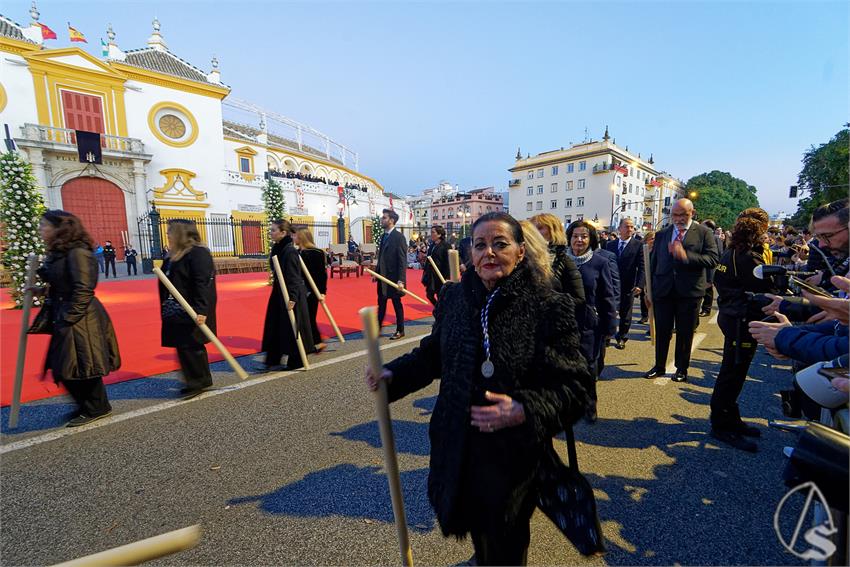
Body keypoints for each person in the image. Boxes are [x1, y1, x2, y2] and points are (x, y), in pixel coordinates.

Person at [365, 212, 592, 565]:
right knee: (478, 530)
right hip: (456, 446)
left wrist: (525, 408)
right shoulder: (455, 298)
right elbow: (433, 355)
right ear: (471, 253)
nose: (489, 252)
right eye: (480, 244)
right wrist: (393, 375)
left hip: (511, 456)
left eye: (500, 244)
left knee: (505, 538)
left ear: (520, 251)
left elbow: (577, 387)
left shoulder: (548, 305)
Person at [35, 210, 120, 427]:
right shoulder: (60, 253)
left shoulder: (78, 253)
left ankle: (97, 407)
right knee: (66, 364)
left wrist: (69, 317)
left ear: (60, 228)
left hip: (80, 316)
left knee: (81, 364)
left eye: (45, 226)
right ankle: (87, 405)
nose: (41, 230)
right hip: (65, 312)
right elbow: (59, 281)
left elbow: (83, 287)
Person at [709, 212, 779, 452]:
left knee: (734, 372)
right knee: (732, 373)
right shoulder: (748, 258)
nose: (766, 237)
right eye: (763, 233)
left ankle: (730, 417)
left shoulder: (730, 253)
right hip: (741, 319)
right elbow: (765, 289)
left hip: (733, 316)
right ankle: (721, 424)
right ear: (755, 234)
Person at [644, 199, 719, 383]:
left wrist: (686, 256)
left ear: (692, 213)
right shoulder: (662, 234)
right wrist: (649, 290)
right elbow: (653, 263)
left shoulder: (703, 233)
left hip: (690, 292)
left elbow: (713, 259)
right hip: (663, 291)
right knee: (662, 331)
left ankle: (681, 368)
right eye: (675, 215)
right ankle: (659, 365)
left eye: (683, 215)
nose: (678, 219)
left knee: (685, 332)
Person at [159, 219, 217, 399]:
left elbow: (203, 283)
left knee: (191, 344)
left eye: (170, 231)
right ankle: (197, 378)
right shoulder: (173, 254)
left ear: (179, 233)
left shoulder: (197, 253)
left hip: (191, 307)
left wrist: (202, 310)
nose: (167, 234)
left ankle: (197, 380)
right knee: (183, 344)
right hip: (176, 307)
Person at [566, 220, 617, 422]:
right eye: (575, 236)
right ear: (569, 238)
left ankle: (590, 404)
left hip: (588, 324)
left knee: (588, 367)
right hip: (564, 324)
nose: (579, 240)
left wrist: (610, 325)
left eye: (584, 236)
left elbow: (607, 296)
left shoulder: (599, 262)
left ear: (591, 239)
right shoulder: (560, 262)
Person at [262, 220, 316, 370]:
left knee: (291, 327)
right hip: (279, 291)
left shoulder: (289, 250)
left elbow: (294, 276)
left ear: (283, 233)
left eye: (273, 230)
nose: (271, 232)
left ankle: (296, 360)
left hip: (291, 293)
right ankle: (272, 359)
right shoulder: (278, 247)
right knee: (275, 324)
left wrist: (292, 297)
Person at [604, 218, 644, 350]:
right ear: (619, 228)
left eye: (632, 227)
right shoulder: (610, 245)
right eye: (627, 226)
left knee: (625, 314)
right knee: (609, 310)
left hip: (628, 285)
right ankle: (607, 335)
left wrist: (640, 284)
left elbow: (642, 267)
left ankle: (622, 337)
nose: (630, 229)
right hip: (610, 285)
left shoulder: (638, 245)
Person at [529, 213, 585, 306]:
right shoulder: (526, 257)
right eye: (532, 228)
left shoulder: (564, 260)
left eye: (539, 228)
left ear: (552, 231)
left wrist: (548, 301)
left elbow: (579, 298)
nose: (534, 232)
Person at [375, 208, 407, 340]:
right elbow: (381, 256)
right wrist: (376, 273)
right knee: (381, 303)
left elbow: (402, 260)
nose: (382, 220)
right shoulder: (384, 236)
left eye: (384, 218)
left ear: (391, 220)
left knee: (396, 303)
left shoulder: (399, 237)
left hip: (394, 277)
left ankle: (400, 330)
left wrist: (401, 280)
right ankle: (377, 329)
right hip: (382, 277)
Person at [295, 227, 328, 352]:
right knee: (304, 317)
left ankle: (317, 342)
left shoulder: (316, 253)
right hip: (300, 290)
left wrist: (322, 292)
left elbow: (321, 275)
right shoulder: (297, 252)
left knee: (309, 317)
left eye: (295, 236)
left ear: (301, 237)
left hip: (312, 290)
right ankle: (311, 343)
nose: (293, 238)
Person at [699, 220, 723, 317]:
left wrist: (713, 274)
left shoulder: (716, 239)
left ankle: (706, 308)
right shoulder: (700, 236)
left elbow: (719, 254)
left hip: (710, 268)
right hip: (700, 266)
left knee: (708, 289)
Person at [422, 225, 449, 306]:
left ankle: (441, 313)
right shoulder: (432, 245)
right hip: (431, 275)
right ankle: (438, 309)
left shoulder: (446, 246)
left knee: (440, 295)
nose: (431, 234)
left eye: (433, 232)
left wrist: (447, 277)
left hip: (441, 275)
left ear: (439, 234)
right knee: (429, 295)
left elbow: (447, 262)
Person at [638, 231, 655, 325]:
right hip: (644, 276)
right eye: (652, 238)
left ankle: (653, 324)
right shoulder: (642, 249)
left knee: (653, 300)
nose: (653, 241)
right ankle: (644, 316)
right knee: (643, 297)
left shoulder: (658, 250)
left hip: (654, 277)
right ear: (647, 240)